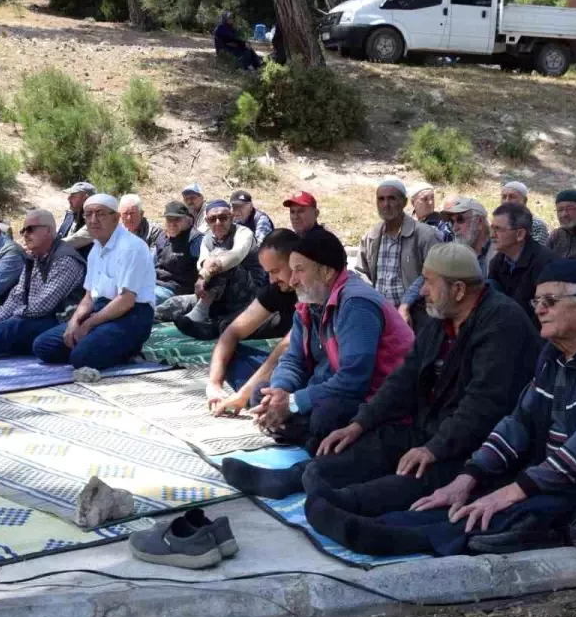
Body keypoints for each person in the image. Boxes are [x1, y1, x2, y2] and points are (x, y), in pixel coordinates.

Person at [304, 260, 576, 557]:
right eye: (538, 300)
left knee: (511, 509)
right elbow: (519, 421)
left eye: (550, 300)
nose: (539, 308)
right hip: (575, 474)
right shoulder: (556, 352)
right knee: (468, 486)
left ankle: (391, 536)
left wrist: (510, 490)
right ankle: (373, 515)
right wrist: (471, 475)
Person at [298, 244, 540, 515]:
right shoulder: (442, 318)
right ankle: (303, 480)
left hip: (472, 448)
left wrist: (432, 449)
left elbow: (482, 406)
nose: (422, 290)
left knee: (383, 491)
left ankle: (346, 506)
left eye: (429, 281)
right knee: (327, 465)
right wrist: (359, 424)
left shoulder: (502, 323)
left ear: (458, 290)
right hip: (428, 429)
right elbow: (404, 378)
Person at [219, 226, 415, 497]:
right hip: (352, 394)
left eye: (300, 270)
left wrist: (292, 403)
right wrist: (279, 391)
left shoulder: (357, 303)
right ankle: (311, 437)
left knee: (328, 414)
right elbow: (293, 359)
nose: (293, 279)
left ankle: (298, 474)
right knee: (260, 395)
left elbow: (354, 380)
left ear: (326, 271)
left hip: (386, 405)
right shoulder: (309, 303)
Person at [31, 194, 156, 368]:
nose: (93, 220)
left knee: (81, 358)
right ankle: (102, 346)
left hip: (132, 315)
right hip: (101, 310)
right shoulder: (95, 250)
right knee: (43, 346)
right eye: (88, 214)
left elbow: (126, 300)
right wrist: (74, 323)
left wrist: (89, 324)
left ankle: (128, 347)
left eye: (100, 214)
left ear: (115, 218)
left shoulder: (132, 247)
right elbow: (89, 296)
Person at [206, 229, 302, 416]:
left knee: (264, 389)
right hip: (288, 367)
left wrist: (243, 393)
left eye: (276, 271)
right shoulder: (279, 288)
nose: (273, 279)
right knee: (226, 356)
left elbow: (287, 347)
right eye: (269, 273)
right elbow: (232, 333)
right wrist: (214, 384)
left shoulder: (313, 292)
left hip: (307, 370)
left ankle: (260, 398)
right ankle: (261, 397)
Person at [0, 210, 87, 359]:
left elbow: (43, 305)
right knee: (2, 327)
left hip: (61, 322)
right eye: (23, 230)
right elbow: (16, 296)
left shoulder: (65, 259)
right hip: (37, 318)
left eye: (30, 229)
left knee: (14, 326)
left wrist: (12, 318)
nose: (25, 234)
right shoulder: (35, 258)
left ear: (48, 230)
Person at [159, 200, 264, 339]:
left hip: (246, 294)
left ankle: (202, 311)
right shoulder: (208, 238)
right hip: (216, 295)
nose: (218, 223)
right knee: (171, 306)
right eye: (212, 219)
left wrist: (203, 275)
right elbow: (201, 262)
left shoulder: (243, 233)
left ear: (231, 217)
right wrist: (204, 270)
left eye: (223, 217)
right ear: (207, 221)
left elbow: (235, 256)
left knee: (219, 256)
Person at [399, 196, 490, 326]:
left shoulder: (498, 252)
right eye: (452, 222)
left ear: (480, 221)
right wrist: (405, 305)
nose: (455, 227)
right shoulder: (455, 249)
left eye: (460, 220)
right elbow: (427, 277)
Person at [354, 178, 439, 307]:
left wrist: (407, 304)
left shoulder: (425, 235)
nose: (386, 204)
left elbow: (435, 274)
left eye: (392, 198)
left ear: (404, 202)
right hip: (380, 313)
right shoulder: (371, 238)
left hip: (415, 314)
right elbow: (361, 273)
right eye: (381, 199)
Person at [488, 202, 557, 326]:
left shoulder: (545, 264)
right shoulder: (497, 262)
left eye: (498, 229)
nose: (492, 235)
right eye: (492, 228)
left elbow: (546, 312)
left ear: (520, 234)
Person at [153, 201, 202, 306]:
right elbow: (152, 262)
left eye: (177, 219)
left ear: (187, 219)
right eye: (168, 219)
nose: (172, 223)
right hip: (153, 284)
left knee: (144, 300)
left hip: (176, 290)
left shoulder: (194, 240)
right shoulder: (161, 236)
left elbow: (202, 270)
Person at [56, 181, 97, 255]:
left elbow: (74, 240)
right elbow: (60, 235)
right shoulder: (70, 215)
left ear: (85, 198)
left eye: (73, 195)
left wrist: (49, 246)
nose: (68, 198)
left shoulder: (95, 220)